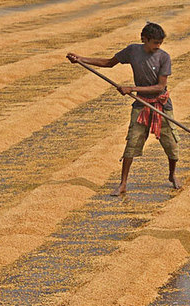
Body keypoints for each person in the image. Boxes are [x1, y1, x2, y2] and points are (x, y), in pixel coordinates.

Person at [67, 21, 179, 195]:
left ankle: (172, 175)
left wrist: (131, 89)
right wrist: (81, 59)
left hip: (161, 105)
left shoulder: (164, 57)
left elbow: (159, 87)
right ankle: (123, 183)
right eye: (155, 43)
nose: (158, 46)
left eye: (160, 43)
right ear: (144, 39)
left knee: (171, 143)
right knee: (132, 142)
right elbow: (108, 63)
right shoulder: (133, 51)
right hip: (141, 103)